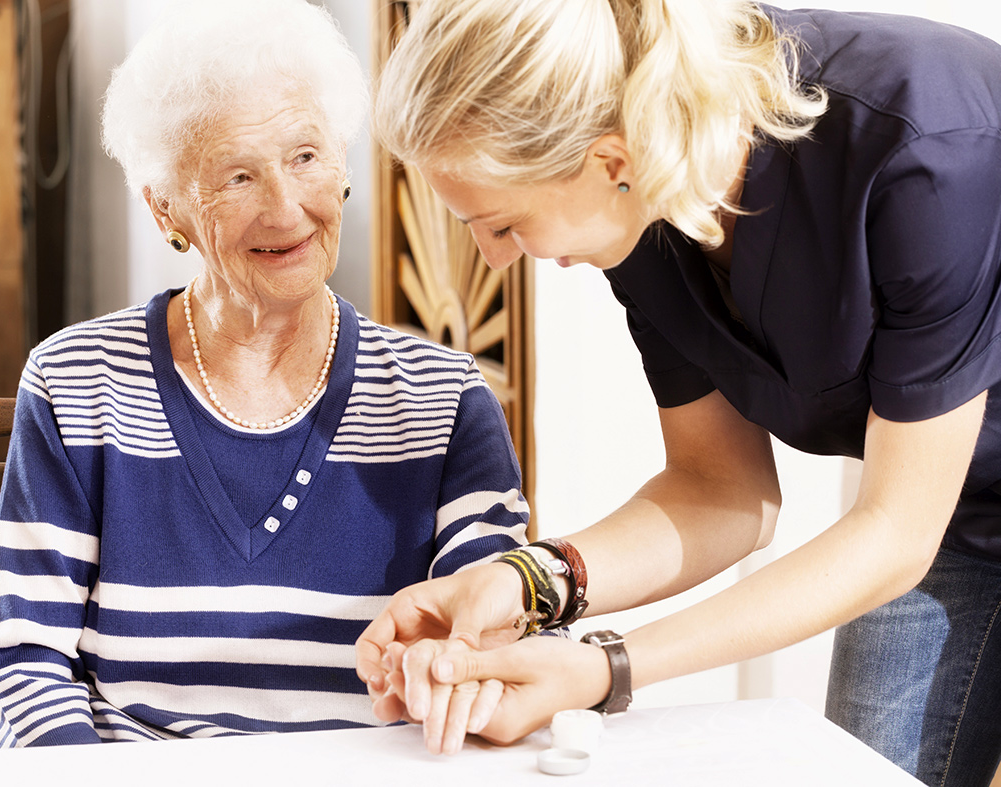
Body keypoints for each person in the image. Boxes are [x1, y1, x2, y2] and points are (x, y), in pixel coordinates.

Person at [355, 1, 1001, 783]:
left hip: (919, 522)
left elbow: (896, 529)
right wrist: (523, 580)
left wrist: (607, 670)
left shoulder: (925, 151)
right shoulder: (645, 206)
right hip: (960, 514)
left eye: (502, 223)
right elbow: (722, 490)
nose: (493, 260)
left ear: (610, 161)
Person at [0, 0, 528, 747]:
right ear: (165, 206)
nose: (284, 207)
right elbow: (27, 662)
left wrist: (456, 669)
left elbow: (491, 651)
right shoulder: (76, 383)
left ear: (341, 170)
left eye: (305, 157)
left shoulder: (442, 401)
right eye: (238, 175)